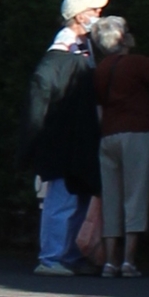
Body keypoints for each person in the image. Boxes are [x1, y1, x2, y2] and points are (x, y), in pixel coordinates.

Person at [90, 15, 149, 278]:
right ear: (120, 38)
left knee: (111, 198)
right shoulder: (136, 63)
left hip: (108, 136)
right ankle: (129, 260)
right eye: (126, 30)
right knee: (135, 195)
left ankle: (109, 261)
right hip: (136, 132)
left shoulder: (100, 68)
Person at [21, 18, 103, 275]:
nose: (97, 16)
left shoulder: (79, 50)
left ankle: (66, 254)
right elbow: (42, 92)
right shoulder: (63, 56)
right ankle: (52, 257)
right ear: (79, 17)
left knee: (75, 198)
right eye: (94, 11)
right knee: (63, 199)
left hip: (71, 140)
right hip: (65, 141)